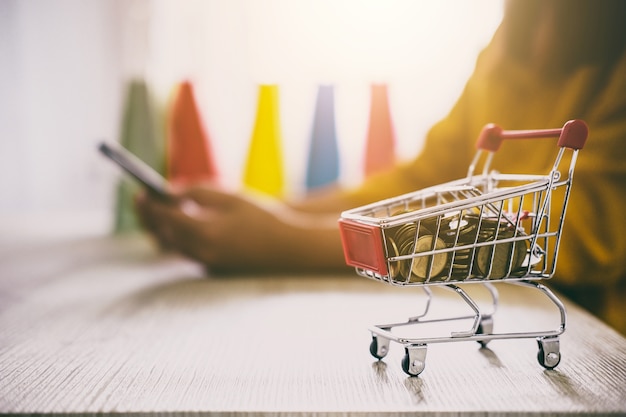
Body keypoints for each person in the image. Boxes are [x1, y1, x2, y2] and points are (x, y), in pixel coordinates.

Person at [136, 0, 626, 335]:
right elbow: (427, 178)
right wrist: (269, 211)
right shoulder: (507, 40)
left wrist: (287, 241)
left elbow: (577, 235)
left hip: (598, 332)